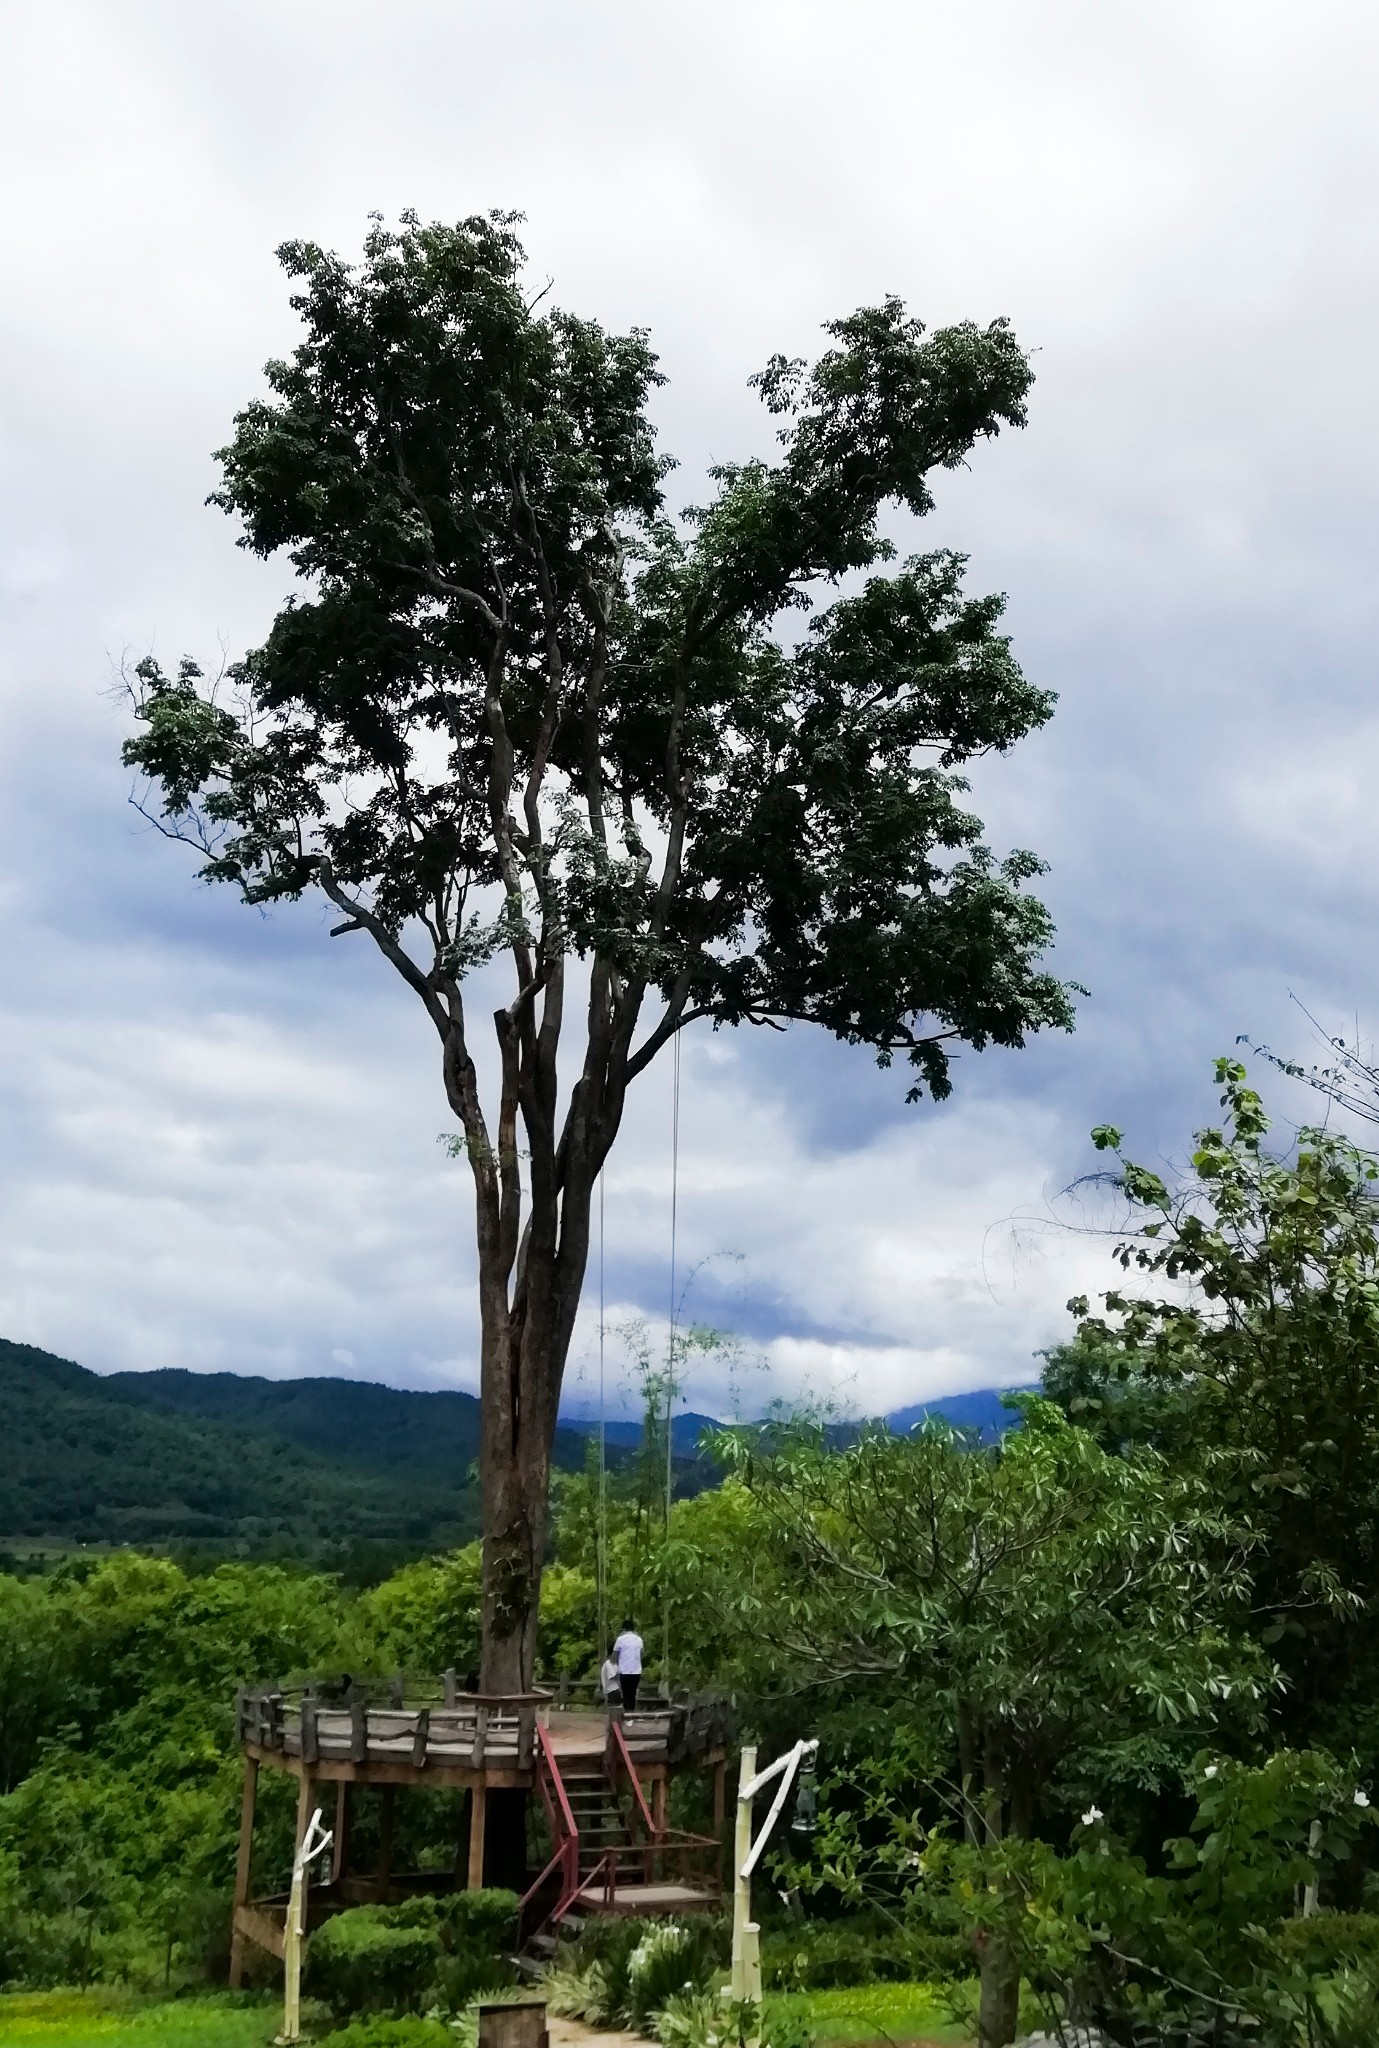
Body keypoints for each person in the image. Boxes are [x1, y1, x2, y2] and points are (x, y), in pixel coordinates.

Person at [612, 1617, 643, 1710]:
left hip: (624, 1670)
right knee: (633, 1692)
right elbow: (641, 1655)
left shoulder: (620, 1639)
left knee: (625, 1692)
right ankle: (632, 1712)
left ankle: (626, 1713)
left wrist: (616, 1666)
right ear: (634, 1629)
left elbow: (615, 1654)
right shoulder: (639, 1640)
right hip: (636, 1670)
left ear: (624, 1629)